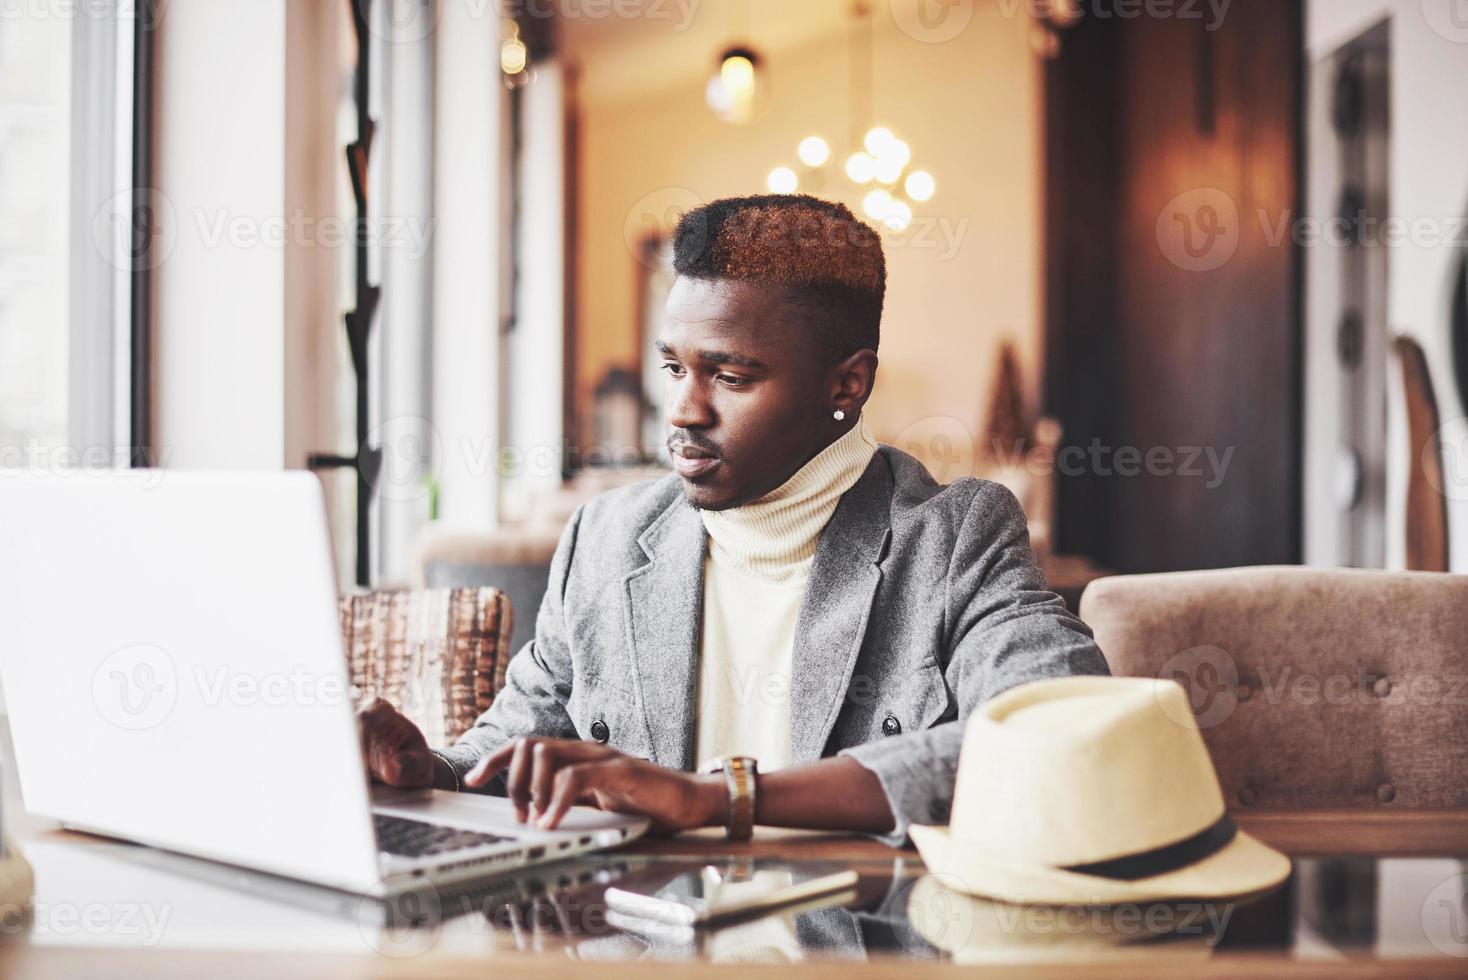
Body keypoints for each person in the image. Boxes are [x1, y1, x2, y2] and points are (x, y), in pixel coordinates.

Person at [359, 194, 1108, 844]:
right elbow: (511, 746)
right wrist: (430, 769)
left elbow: (1055, 730)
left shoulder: (952, 539)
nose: (684, 410)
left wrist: (719, 798)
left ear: (847, 383)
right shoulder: (606, 539)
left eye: (730, 375)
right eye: (674, 369)